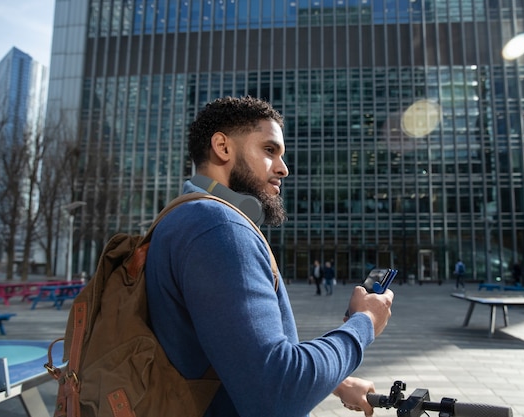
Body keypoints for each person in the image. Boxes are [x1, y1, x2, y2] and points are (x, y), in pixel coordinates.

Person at [145, 96, 393, 417]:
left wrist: (336, 382)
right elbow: (276, 395)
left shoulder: (183, 218)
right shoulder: (220, 226)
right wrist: (366, 323)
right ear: (222, 146)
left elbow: (232, 349)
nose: (283, 169)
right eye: (269, 150)